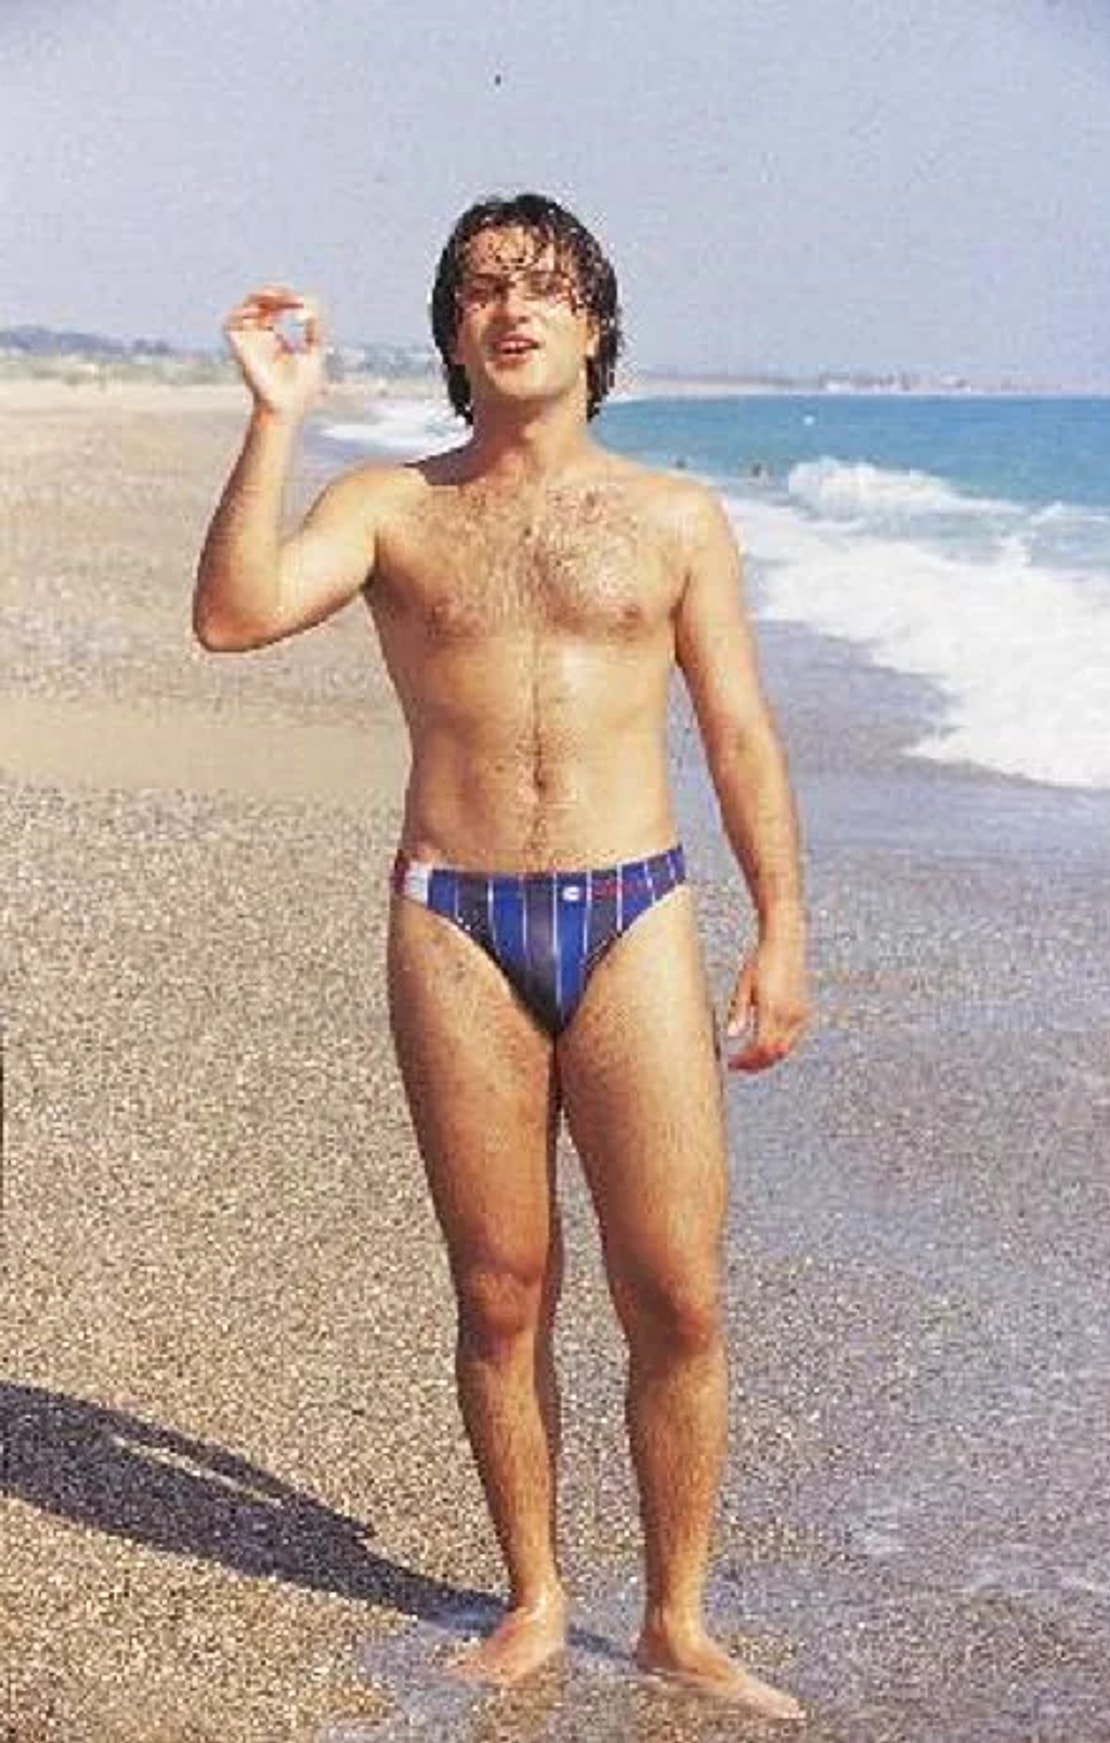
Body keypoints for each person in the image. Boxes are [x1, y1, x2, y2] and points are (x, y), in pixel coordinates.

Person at [194, 192, 810, 1718]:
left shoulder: (675, 517)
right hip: (453, 918)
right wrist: (275, 418)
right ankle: (536, 1595)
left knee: (677, 1293)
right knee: (502, 1290)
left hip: (636, 911)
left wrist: (782, 927)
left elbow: (737, 729)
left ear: (594, 326)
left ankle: (675, 1618)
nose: (512, 308)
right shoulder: (391, 507)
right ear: (454, 336)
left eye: (543, 286)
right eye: (481, 289)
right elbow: (233, 616)